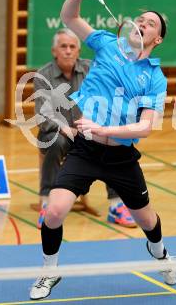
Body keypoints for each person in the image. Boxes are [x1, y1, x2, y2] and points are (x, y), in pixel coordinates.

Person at [30, 0, 176, 300]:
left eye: (150, 23)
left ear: (159, 38)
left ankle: (160, 252)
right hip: (86, 150)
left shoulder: (154, 78)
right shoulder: (107, 44)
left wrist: (104, 129)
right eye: (140, 20)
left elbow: (145, 128)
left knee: (147, 219)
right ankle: (49, 271)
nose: (143, 24)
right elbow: (69, 18)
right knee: (54, 212)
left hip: (121, 158)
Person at [33, 28, 137, 229]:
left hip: (89, 130)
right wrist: (66, 128)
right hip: (56, 132)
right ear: (54, 51)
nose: (68, 51)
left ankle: (116, 206)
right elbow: (43, 114)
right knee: (57, 143)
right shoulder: (42, 75)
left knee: (111, 144)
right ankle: (47, 203)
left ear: (78, 51)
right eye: (63, 46)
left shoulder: (91, 69)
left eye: (73, 47)